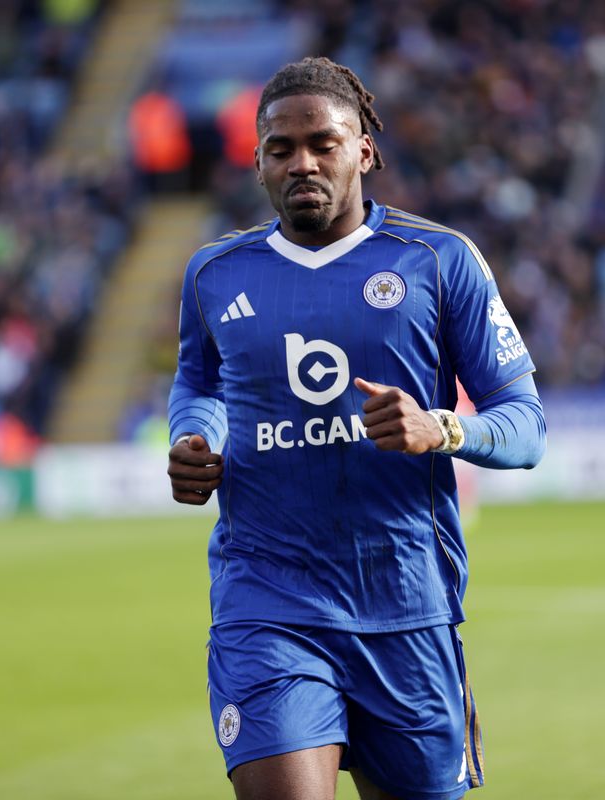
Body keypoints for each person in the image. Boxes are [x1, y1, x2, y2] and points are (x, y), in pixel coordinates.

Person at [167, 57, 546, 800]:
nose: (301, 162)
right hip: (268, 602)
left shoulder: (439, 260)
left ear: (364, 150)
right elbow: (201, 380)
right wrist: (194, 438)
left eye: (323, 143)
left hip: (406, 606)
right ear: (257, 161)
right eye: (281, 149)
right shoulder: (216, 273)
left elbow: (525, 423)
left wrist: (440, 428)